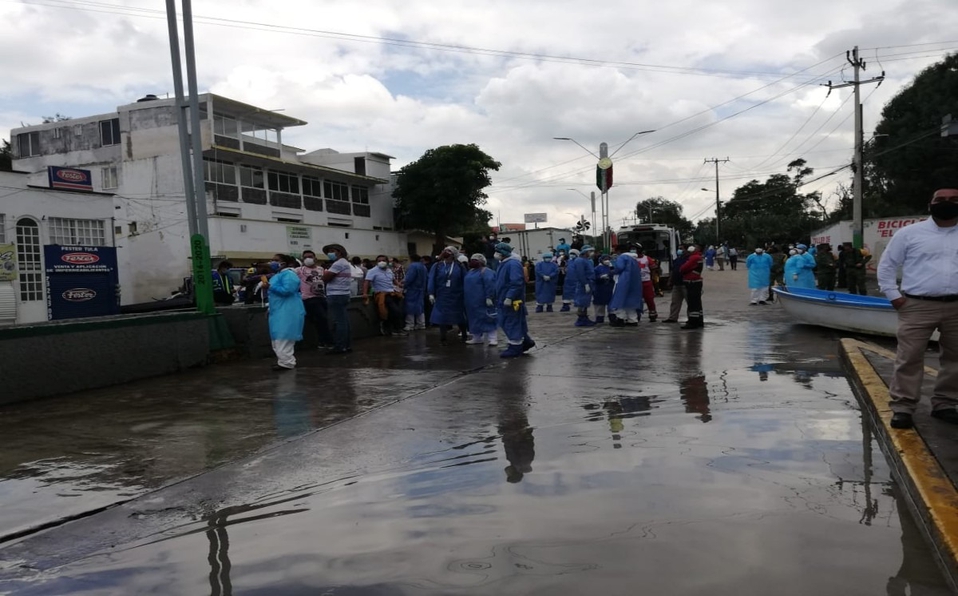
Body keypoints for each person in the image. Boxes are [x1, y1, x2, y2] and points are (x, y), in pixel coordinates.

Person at [877, 188, 958, 430]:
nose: (947, 203)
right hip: (917, 306)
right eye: (940, 200)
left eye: (954, 200)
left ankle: (945, 404)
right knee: (909, 357)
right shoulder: (910, 233)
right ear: (930, 203)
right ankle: (903, 407)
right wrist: (894, 296)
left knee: (955, 359)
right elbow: (887, 265)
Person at [494, 242, 535, 358]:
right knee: (515, 321)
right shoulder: (504, 263)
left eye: (498, 252)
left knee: (510, 322)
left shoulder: (512, 264)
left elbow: (516, 282)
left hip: (512, 300)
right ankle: (526, 341)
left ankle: (515, 346)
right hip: (505, 298)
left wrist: (509, 297)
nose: (496, 254)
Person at [266, 254, 306, 371]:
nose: (273, 262)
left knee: (283, 337)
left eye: (276, 260)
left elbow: (287, 290)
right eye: (272, 260)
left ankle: (286, 362)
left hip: (288, 310)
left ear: (285, 262)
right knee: (278, 337)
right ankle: (284, 361)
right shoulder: (279, 275)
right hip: (279, 310)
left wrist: (270, 287)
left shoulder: (289, 274)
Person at [428, 246, 466, 344]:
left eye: (449, 251)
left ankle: (464, 334)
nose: (446, 252)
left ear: (454, 254)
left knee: (459, 315)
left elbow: (465, 280)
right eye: (445, 250)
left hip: (457, 295)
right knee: (442, 316)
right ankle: (443, 337)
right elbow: (431, 279)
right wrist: (431, 293)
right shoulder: (437, 266)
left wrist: (466, 293)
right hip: (442, 294)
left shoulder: (459, 266)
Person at [295, 250, 334, 348]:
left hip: (322, 297)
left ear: (315, 258)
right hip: (309, 298)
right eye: (305, 257)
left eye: (310, 256)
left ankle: (322, 341)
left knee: (321, 320)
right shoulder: (299, 270)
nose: (308, 259)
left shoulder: (321, 269)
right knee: (322, 318)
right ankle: (328, 341)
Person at [322, 243, 353, 354]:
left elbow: (325, 278)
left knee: (339, 322)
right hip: (343, 294)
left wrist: (325, 273)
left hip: (336, 295)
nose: (330, 253)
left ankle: (340, 346)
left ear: (339, 252)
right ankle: (346, 345)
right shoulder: (345, 263)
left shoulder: (338, 264)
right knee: (344, 321)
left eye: (332, 250)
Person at [363, 254, 405, 336]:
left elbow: (393, 280)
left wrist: (399, 285)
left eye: (383, 260)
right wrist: (365, 293)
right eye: (379, 261)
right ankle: (396, 329)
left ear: (387, 261)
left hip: (392, 293)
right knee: (394, 311)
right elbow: (366, 282)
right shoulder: (372, 271)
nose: (381, 262)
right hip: (382, 294)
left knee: (393, 312)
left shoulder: (389, 270)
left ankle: (390, 329)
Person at [463, 253, 498, 346]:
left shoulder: (486, 272)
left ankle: (493, 338)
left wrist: (489, 297)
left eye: (476, 260)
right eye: (472, 259)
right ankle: (477, 337)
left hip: (483, 301)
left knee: (488, 319)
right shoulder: (470, 272)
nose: (473, 261)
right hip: (471, 302)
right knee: (474, 319)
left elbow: (490, 285)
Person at [608, 244, 643, 327]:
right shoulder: (634, 259)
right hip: (635, 282)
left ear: (618, 251)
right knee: (631, 301)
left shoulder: (622, 257)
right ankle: (632, 319)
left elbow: (619, 267)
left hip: (623, 281)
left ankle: (620, 318)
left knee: (620, 299)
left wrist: (611, 271)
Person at [569, 244, 597, 327]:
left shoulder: (586, 260)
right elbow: (580, 273)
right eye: (590, 251)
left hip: (589, 282)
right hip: (583, 284)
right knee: (582, 302)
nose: (592, 253)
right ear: (585, 252)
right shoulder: (579, 261)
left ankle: (584, 317)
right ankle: (581, 319)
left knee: (585, 302)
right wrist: (585, 283)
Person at [679, 244, 704, 329]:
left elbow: (683, 268)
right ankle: (699, 320)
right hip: (696, 282)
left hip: (692, 282)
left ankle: (693, 322)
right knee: (697, 303)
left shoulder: (694, 257)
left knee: (693, 303)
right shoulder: (698, 257)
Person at [662, 245, 688, 323]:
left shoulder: (688, 259)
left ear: (686, 250)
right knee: (675, 302)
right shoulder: (677, 259)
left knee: (689, 302)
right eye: (678, 248)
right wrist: (670, 280)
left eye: (681, 248)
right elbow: (673, 271)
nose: (679, 250)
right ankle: (673, 317)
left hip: (685, 284)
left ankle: (691, 318)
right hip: (676, 284)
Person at [634, 244, 658, 321]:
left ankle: (652, 314)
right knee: (636, 299)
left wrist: (653, 279)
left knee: (649, 299)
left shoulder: (647, 258)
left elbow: (653, 269)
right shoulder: (631, 259)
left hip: (646, 281)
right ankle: (636, 314)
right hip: (635, 283)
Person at [403, 254, 428, 330]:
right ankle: (421, 323)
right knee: (420, 306)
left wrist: (403, 284)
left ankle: (410, 324)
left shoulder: (412, 266)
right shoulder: (423, 266)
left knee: (410, 306)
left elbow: (409, 278)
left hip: (412, 289)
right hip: (421, 289)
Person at [593, 253, 615, 324]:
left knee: (612, 304)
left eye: (608, 259)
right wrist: (600, 277)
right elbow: (594, 278)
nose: (607, 261)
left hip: (610, 288)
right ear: (601, 260)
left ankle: (612, 317)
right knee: (600, 305)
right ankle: (600, 317)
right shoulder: (597, 269)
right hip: (600, 289)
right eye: (605, 259)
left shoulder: (611, 267)